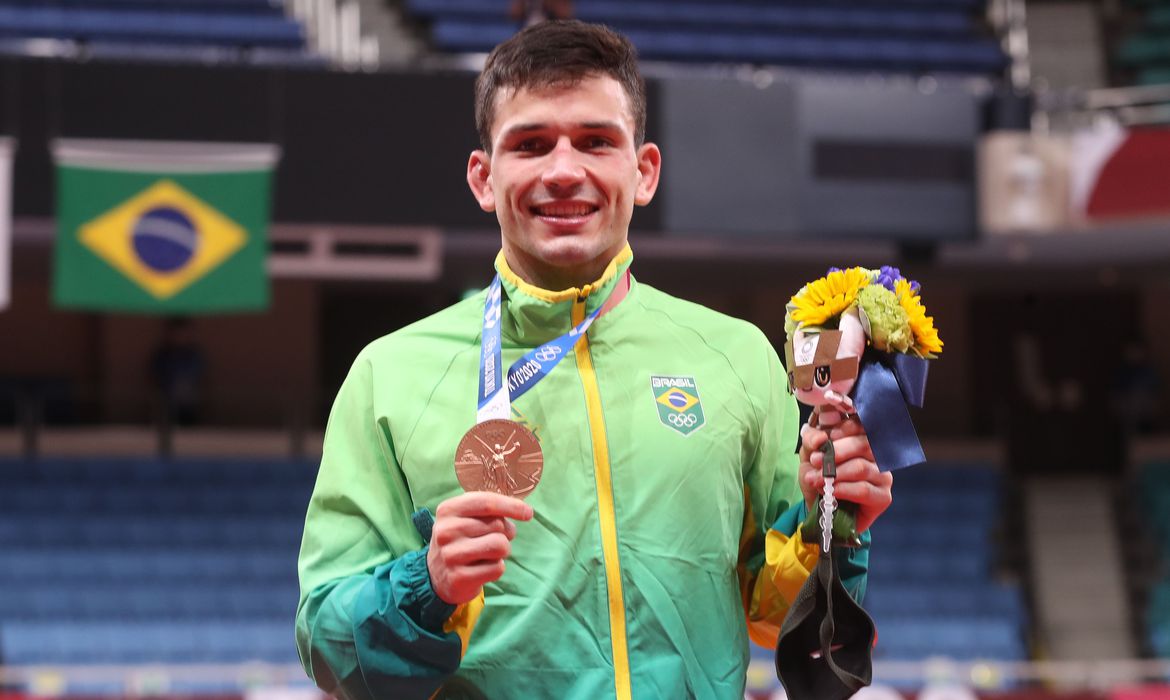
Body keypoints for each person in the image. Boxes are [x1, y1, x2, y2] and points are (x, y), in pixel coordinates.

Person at [296, 20, 892, 700]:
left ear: (643, 172)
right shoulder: (390, 375)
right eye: (530, 144)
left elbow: (778, 618)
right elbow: (327, 645)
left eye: (595, 141)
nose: (562, 171)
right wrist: (426, 588)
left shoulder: (736, 357)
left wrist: (831, 524)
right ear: (484, 178)